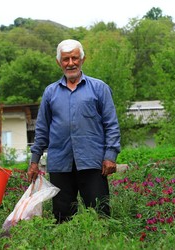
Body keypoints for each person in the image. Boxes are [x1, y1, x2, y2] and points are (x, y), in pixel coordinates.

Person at [27, 39, 121, 223]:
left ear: (82, 59)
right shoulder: (50, 92)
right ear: (58, 62)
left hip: (93, 162)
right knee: (62, 216)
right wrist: (34, 161)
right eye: (66, 59)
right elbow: (42, 129)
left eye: (74, 58)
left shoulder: (99, 88)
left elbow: (111, 124)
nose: (71, 63)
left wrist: (110, 155)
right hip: (60, 163)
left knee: (100, 213)